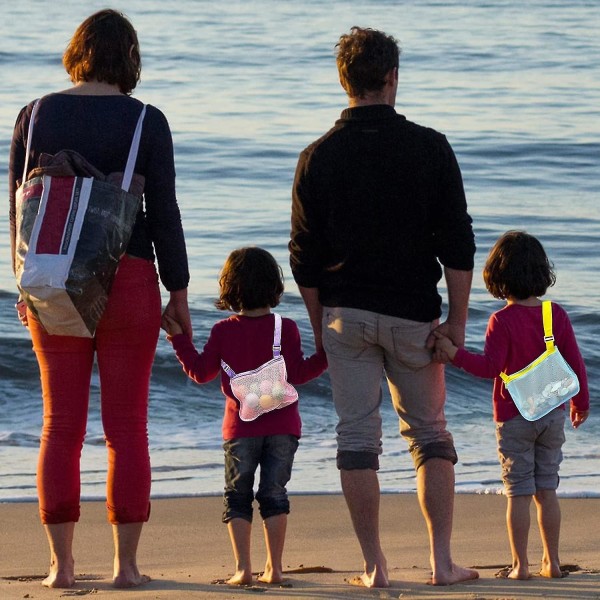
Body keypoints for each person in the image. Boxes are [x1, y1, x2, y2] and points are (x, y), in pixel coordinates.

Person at [289, 26, 479, 587]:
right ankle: (442, 563)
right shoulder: (430, 147)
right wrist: (459, 321)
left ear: (343, 80)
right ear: (393, 78)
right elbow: (458, 244)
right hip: (413, 318)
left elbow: (303, 257)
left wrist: (318, 324)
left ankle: (376, 568)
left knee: (356, 439)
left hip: (346, 315)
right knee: (430, 436)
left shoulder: (316, 156)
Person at [8, 9, 191, 589]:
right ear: (129, 58)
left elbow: (18, 211)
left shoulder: (34, 116)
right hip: (129, 278)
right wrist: (179, 292)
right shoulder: (146, 122)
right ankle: (126, 569)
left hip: (52, 274)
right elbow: (164, 213)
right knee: (126, 427)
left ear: (76, 51)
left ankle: (60, 569)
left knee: (59, 426)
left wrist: (25, 282)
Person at [162, 246, 327, 585]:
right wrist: (328, 354)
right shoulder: (287, 328)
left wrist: (178, 339)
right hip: (284, 427)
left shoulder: (224, 330)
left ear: (229, 287)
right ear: (274, 286)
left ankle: (243, 569)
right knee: (274, 493)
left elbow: (200, 372)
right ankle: (275, 569)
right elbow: (298, 373)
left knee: (237, 496)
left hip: (240, 430)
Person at [434, 231, 590, 580]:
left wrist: (454, 355)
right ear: (541, 273)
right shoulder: (555, 315)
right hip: (552, 414)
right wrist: (581, 403)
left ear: (497, 276)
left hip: (513, 417)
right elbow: (575, 365)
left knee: (518, 492)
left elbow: (489, 368)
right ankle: (552, 562)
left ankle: (521, 566)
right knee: (547, 489)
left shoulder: (500, 321)